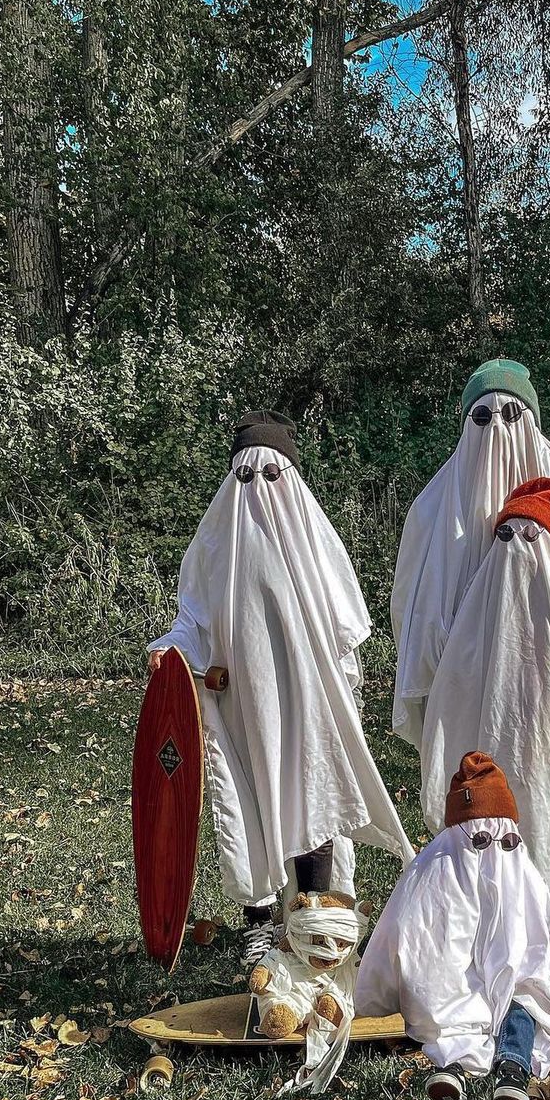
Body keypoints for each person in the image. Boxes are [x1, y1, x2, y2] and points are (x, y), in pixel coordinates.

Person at [392, 362, 550, 1044]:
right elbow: (415, 620)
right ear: (463, 425)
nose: (497, 430)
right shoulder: (435, 515)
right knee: (476, 862)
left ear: (533, 423)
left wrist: (544, 564)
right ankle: (479, 984)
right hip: (475, 728)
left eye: (512, 415)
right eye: (483, 417)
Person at [147, 410, 414, 970]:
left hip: (306, 705)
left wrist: (338, 682)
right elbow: (192, 618)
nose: (257, 487)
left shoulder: (311, 538)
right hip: (240, 707)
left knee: (312, 798)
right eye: (244, 475)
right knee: (247, 811)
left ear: (290, 477)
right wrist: (172, 650)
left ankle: (314, 922)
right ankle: (260, 924)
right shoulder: (214, 545)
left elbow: (346, 620)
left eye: (271, 474)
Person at [356, 752, 550, 1100]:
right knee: (451, 1000)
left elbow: (540, 937)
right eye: (480, 840)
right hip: (456, 985)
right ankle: (453, 1066)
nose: (495, 852)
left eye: (505, 841)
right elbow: (414, 936)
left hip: (513, 982)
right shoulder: (434, 871)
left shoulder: (520, 872)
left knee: (525, 1002)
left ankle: (513, 1069)